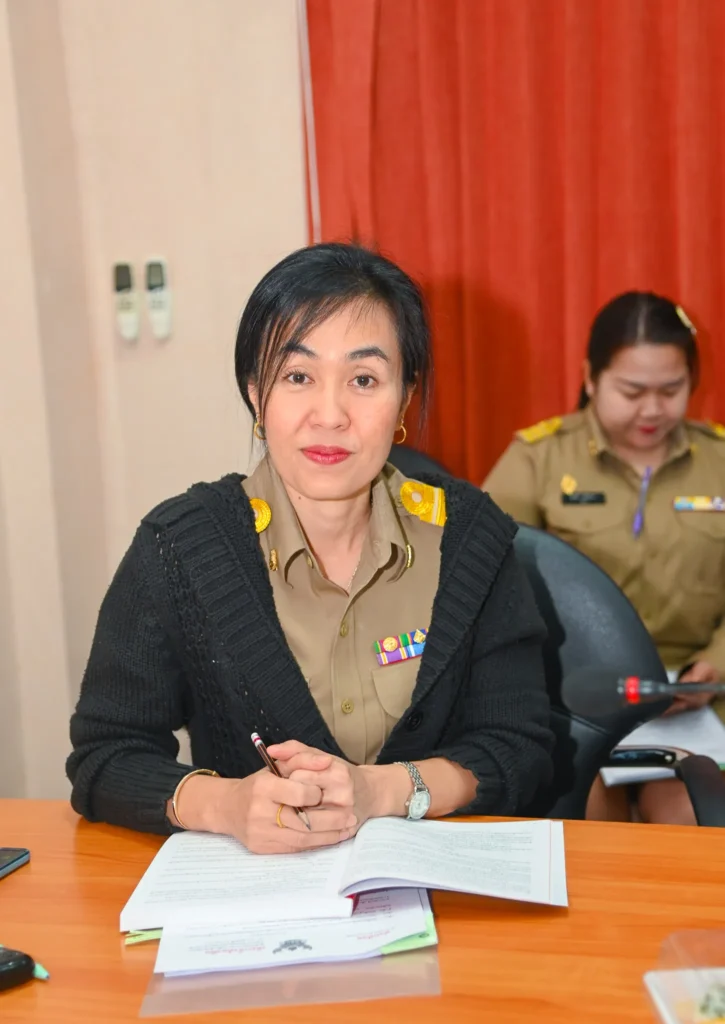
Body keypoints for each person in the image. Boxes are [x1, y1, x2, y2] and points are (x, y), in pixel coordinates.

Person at [67, 242, 554, 853]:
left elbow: (519, 749)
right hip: (258, 890)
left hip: (438, 885)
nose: (330, 415)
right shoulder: (179, 549)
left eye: (363, 380)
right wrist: (227, 805)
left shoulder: (470, 539)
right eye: (298, 377)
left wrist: (380, 791)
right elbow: (105, 756)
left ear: (404, 397)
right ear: (255, 393)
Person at [483, 291, 725, 826]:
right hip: (573, 695)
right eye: (632, 391)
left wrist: (715, 664)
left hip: (698, 701)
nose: (652, 409)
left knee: (692, 818)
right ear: (591, 378)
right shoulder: (539, 459)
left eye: (671, 390)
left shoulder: (719, 460)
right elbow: (482, 579)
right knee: (584, 819)